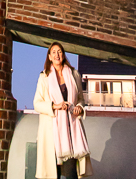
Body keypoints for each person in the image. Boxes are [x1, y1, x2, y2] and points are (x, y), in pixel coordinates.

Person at [33, 42, 92, 179]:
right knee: (54, 174)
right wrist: (54, 106)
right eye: (53, 52)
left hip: (71, 132)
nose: (57, 54)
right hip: (52, 132)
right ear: (49, 56)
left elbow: (81, 100)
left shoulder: (74, 74)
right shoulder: (44, 77)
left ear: (63, 55)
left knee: (71, 173)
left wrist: (79, 108)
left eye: (59, 51)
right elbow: (37, 103)